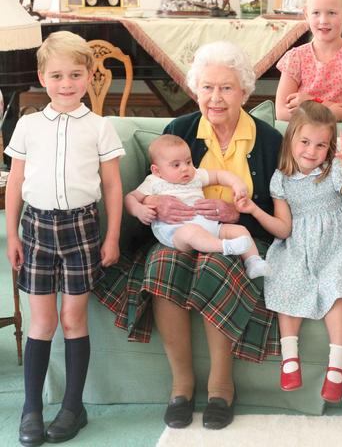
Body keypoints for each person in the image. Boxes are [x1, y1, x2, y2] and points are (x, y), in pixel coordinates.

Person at [94, 41, 282, 431]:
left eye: (226, 88)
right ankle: (181, 384)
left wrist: (238, 213)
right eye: (207, 87)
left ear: (244, 92)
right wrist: (156, 207)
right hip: (175, 236)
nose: (215, 98)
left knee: (217, 263)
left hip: (237, 237)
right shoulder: (179, 131)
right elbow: (151, 188)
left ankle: (220, 385)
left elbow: (277, 212)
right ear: (196, 90)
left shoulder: (268, 140)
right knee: (162, 264)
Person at [4, 31, 124, 446]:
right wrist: (12, 236)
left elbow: (112, 187)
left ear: (89, 75)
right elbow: (15, 182)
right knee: (42, 321)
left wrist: (112, 236)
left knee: (73, 320)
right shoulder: (28, 124)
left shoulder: (100, 127)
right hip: (36, 231)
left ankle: (73, 407)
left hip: (82, 231)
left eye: (75, 74)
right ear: (42, 76)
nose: (66, 83)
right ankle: (31, 408)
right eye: (57, 75)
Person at [236, 101, 342, 403]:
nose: (311, 151)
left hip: (338, 243)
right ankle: (290, 358)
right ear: (291, 140)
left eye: (321, 145)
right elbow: (283, 229)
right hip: (299, 243)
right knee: (286, 279)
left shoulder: (333, 169)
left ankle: (337, 365)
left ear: (330, 147)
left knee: (336, 288)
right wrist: (255, 210)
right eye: (305, 142)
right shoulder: (281, 179)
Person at [124, 134, 268, 279]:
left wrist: (236, 184)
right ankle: (224, 247)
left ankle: (254, 262)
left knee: (239, 230)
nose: (185, 169)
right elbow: (130, 198)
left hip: (209, 225)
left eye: (188, 161)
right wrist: (139, 210)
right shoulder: (153, 181)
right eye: (176, 165)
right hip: (176, 232)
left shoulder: (195, 176)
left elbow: (219, 175)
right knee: (192, 232)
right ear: (157, 170)